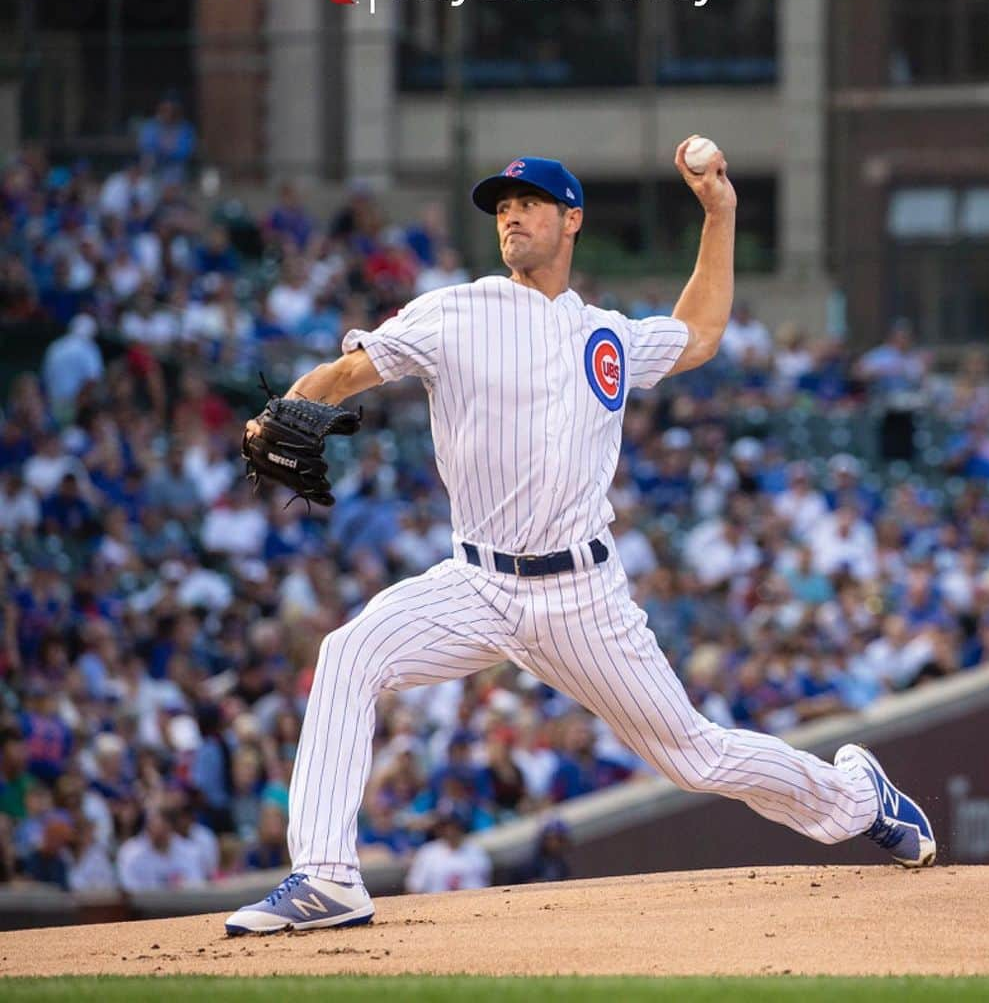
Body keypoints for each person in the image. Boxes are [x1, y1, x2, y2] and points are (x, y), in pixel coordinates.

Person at [226, 144, 935, 936]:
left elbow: (697, 335)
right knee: (349, 653)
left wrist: (720, 213)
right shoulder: (456, 310)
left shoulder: (606, 338)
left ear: (572, 219)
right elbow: (348, 372)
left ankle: (857, 799)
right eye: (501, 208)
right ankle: (325, 877)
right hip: (478, 584)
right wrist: (281, 409)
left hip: (582, 597)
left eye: (528, 203)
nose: (512, 217)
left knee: (694, 755)